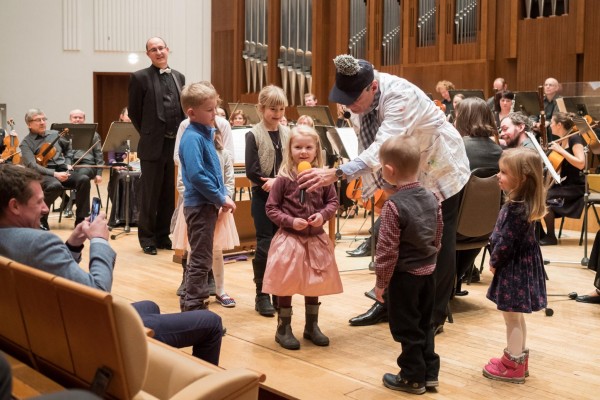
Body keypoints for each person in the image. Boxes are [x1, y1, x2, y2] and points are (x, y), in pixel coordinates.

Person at [299, 55, 470, 333]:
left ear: (373, 88)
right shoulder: (356, 100)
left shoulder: (400, 97)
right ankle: (389, 303)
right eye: (344, 99)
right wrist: (386, 185)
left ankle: (434, 316)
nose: (349, 105)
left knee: (435, 243)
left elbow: (381, 147)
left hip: (439, 165)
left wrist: (338, 173)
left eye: (354, 99)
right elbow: (366, 141)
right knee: (394, 238)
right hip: (401, 169)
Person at [0, 164, 223, 365]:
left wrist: (74, 244)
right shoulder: (39, 242)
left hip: (42, 326)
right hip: (81, 338)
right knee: (211, 322)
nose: (46, 208)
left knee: (150, 306)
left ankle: (147, 373)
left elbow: (49, 271)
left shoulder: (12, 242)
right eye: (39, 202)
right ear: (14, 206)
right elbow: (97, 293)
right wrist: (98, 240)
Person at [263, 125, 342, 350]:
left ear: (317, 150)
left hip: (315, 238)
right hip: (290, 239)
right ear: (290, 150)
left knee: (313, 282)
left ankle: (311, 326)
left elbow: (333, 202)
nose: (304, 152)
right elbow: (271, 208)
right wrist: (290, 221)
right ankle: (283, 327)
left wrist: (322, 215)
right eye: (298, 147)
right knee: (286, 282)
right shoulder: (284, 179)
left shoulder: (323, 178)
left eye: (309, 147)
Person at [374, 135, 442, 394]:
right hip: (429, 272)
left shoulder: (393, 205)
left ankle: (412, 377)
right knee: (425, 323)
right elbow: (438, 233)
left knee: (406, 327)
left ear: (389, 170)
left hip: (405, 277)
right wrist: (432, 257)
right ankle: (430, 373)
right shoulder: (432, 196)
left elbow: (386, 251)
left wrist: (381, 283)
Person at [482, 148, 547, 383]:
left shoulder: (514, 209)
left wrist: (494, 261)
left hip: (512, 269)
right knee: (516, 316)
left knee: (511, 317)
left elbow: (505, 243)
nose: (498, 176)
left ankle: (514, 365)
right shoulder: (524, 205)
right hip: (521, 267)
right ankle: (517, 358)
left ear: (522, 179)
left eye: (504, 172)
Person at [178, 82, 236, 312]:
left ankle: (196, 307)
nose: (215, 115)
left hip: (207, 205)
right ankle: (193, 310)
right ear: (191, 112)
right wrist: (220, 197)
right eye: (210, 110)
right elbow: (197, 175)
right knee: (200, 261)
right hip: (200, 206)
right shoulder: (193, 137)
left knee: (203, 258)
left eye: (215, 108)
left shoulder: (206, 134)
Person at [128, 37, 186, 255]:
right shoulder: (139, 77)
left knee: (168, 193)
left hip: (175, 145)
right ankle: (147, 238)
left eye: (161, 48)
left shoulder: (179, 77)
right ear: (148, 54)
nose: (158, 52)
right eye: (154, 49)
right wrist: (149, 131)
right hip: (153, 144)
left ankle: (163, 235)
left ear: (168, 50)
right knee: (150, 194)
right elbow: (134, 112)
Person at [245, 85, 291, 317]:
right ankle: (261, 294)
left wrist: (280, 180)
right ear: (261, 109)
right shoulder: (253, 134)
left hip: (284, 196)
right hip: (262, 196)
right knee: (265, 243)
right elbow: (252, 171)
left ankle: (278, 291)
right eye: (273, 109)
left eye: (281, 109)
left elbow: (291, 163)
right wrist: (270, 181)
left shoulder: (288, 133)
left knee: (282, 244)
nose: (277, 114)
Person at [453, 97, 503, 296]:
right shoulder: (499, 151)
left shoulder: (457, 147)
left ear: (462, 119)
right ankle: (456, 278)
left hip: (455, 229)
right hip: (487, 230)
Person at [19, 108, 91, 230]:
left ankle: (80, 220)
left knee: (83, 179)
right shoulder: (26, 143)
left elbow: (68, 147)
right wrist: (55, 174)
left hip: (62, 169)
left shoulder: (54, 134)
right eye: (38, 120)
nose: (42, 122)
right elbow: (32, 165)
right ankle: (41, 218)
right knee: (54, 186)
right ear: (29, 124)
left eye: (43, 119)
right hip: (43, 173)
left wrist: (68, 163)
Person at [539, 112, 585, 246]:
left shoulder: (574, 138)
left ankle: (551, 236)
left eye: (552, 123)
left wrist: (561, 151)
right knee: (539, 194)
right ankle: (540, 233)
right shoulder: (561, 139)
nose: (550, 125)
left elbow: (581, 163)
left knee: (546, 197)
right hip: (564, 184)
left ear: (559, 125)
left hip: (575, 187)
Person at [64, 109, 104, 218]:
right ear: (70, 119)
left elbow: (98, 154)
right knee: (53, 176)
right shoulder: (64, 134)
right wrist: (66, 163)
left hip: (87, 165)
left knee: (81, 176)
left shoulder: (93, 134)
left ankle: (70, 205)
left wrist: (99, 173)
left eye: (80, 117)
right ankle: (67, 202)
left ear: (84, 119)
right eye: (75, 117)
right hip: (69, 165)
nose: (77, 120)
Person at [533, 77, 561, 143]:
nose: (547, 87)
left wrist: (547, 123)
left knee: (550, 128)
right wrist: (534, 122)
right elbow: (534, 114)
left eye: (550, 85)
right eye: (546, 85)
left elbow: (556, 117)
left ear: (557, 88)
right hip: (541, 125)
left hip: (552, 125)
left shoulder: (560, 100)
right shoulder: (540, 100)